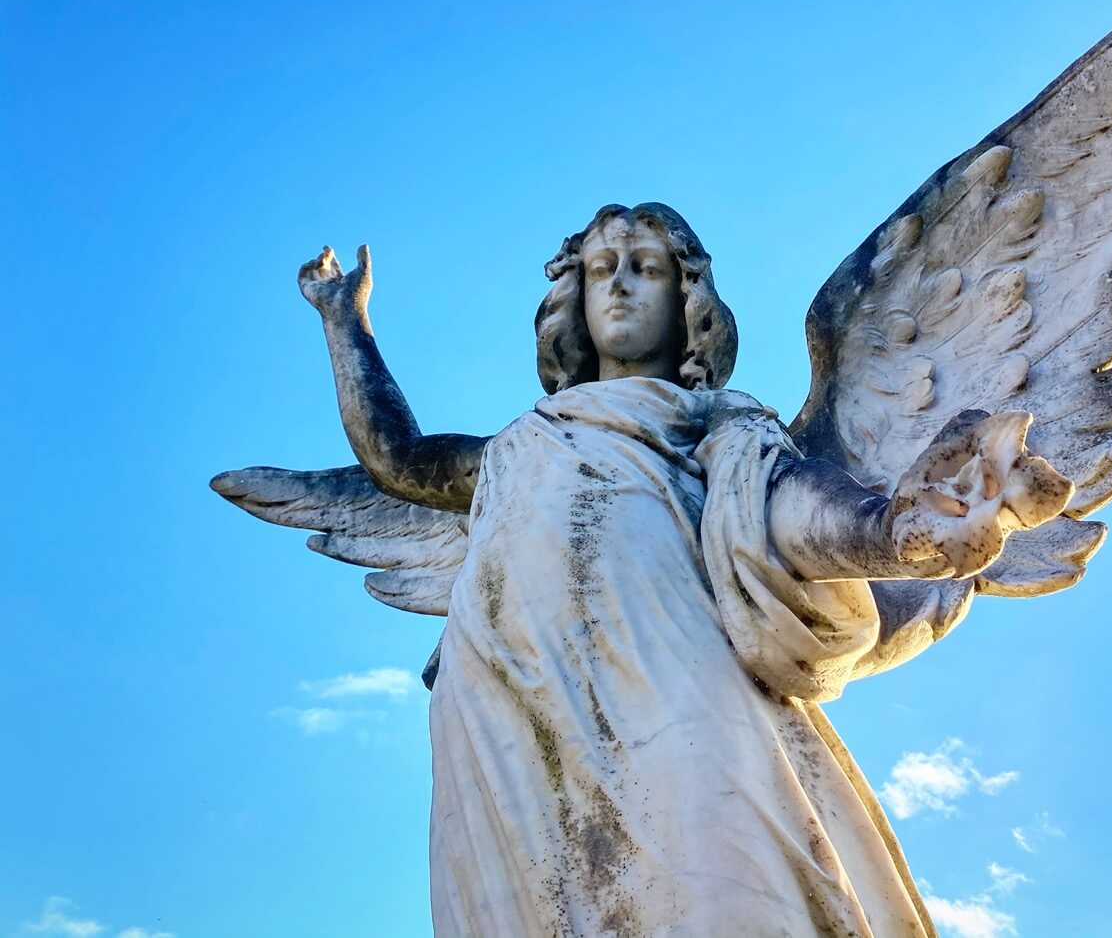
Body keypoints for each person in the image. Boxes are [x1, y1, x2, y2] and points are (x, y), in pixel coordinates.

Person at [296, 202, 1066, 937]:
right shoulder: (515, 444)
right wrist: (344, 320)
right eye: (602, 269)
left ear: (688, 294)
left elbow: (786, 511)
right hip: (506, 698)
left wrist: (894, 528)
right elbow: (396, 460)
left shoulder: (714, 418)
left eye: (646, 267)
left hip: (671, 675)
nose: (622, 284)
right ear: (575, 296)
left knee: (728, 890)